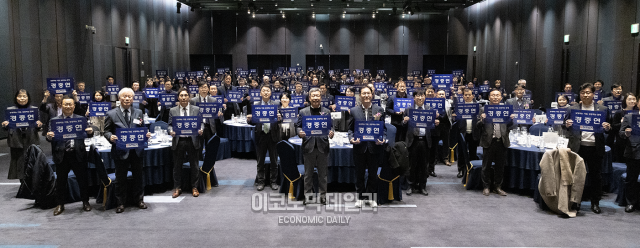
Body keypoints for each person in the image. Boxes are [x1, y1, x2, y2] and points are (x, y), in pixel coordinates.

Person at [562, 83, 611, 214]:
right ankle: (575, 201)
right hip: (578, 147)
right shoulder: (573, 108)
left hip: (595, 148)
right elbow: (564, 125)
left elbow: (608, 128)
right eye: (583, 92)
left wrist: (607, 128)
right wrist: (567, 124)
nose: (585, 95)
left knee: (596, 177)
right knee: (576, 176)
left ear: (593, 94)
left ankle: (595, 203)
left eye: (588, 92)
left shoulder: (602, 109)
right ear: (580, 94)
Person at [103, 88, 152, 213]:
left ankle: (139, 200)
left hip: (136, 150)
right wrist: (110, 137)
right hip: (120, 150)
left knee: (138, 177)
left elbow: (142, 127)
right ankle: (120, 203)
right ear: (119, 98)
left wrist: (146, 134)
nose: (127, 99)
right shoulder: (111, 114)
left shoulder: (139, 112)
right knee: (121, 179)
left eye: (129, 97)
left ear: (133, 99)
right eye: (124, 96)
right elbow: (106, 131)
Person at [45, 96, 94, 215]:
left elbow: (87, 134)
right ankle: (60, 204)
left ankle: (85, 202)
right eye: (65, 104)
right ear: (61, 105)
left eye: (70, 104)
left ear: (74, 106)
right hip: (61, 154)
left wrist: (90, 132)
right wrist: (49, 136)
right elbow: (49, 138)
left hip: (78, 153)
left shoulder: (81, 119)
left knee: (82, 180)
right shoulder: (54, 121)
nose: (68, 106)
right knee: (61, 181)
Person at [348, 86, 386, 208]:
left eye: (368, 93)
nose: (366, 95)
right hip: (359, 147)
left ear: (372, 95)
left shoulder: (379, 109)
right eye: (363, 93)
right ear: (360, 95)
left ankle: (371, 197)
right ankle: (360, 197)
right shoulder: (353, 110)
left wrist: (383, 138)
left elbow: (383, 128)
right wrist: (351, 138)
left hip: (374, 147)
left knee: (372, 174)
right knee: (359, 174)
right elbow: (350, 129)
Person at [296, 88, 334, 204]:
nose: (316, 98)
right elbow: (298, 126)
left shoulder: (326, 112)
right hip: (309, 146)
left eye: (318, 96)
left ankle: (323, 196)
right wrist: (299, 132)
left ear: (321, 98)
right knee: (308, 174)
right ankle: (308, 196)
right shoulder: (303, 112)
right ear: (309, 98)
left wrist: (332, 132)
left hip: (323, 146)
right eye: (313, 96)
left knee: (323, 175)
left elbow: (331, 127)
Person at [402, 88, 439, 196]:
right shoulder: (408, 110)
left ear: (425, 97)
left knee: (424, 165)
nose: (420, 97)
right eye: (417, 96)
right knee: (411, 165)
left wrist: (436, 123)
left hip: (425, 140)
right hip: (412, 141)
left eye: (422, 95)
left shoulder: (429, 109)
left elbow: (432, 127)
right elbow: (403, 125)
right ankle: (410, 186)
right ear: (414, 98)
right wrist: (404, 121)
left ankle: (423, 186)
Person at [477, 89, 514, 196]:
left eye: (497, 95)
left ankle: (497, 187)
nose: (495, 97)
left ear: (501, 97)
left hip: (502, 141)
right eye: (493, 95)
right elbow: (478, 126)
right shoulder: (483, 109)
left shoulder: (506, 109)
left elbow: (510, 126)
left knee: (500, 166)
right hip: (488, 140)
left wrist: (511, 119)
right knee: (486, 166)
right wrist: (482, 120)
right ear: (489, 97)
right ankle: (486, 187)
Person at [169, 88, 204, 198]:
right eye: (181, 96)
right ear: (178, 97)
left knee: (194, 165)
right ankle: (177, 188)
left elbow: (201, 123)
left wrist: (201, 129)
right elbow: (169, 125)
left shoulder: (196, 109)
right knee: (177, 166)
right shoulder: (173, 110)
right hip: (179, 140)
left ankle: (194, 187)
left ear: (189, 97)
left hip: (192, 139)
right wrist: (170, 131)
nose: (183, 97)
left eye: (185, 95)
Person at [246, 85, 282, 191]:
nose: (266, 92)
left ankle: (273, 181)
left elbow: (280, 119)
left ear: (270, 93)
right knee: (260, 161)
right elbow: (253, 121)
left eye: (268, 91)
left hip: (273, 135)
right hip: (260, 135)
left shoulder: (276, 104)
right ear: (260, 93)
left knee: (274, 161)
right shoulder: (255, 104)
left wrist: (280, 119)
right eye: (264, 91)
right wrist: (249, 120)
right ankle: (261, 181)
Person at [2, 90, 43, 179]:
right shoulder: (10, 110)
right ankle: (23, 188)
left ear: (28, 98)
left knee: (32, 164)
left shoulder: (34, 110)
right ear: (16, 98)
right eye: (20, 96)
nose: (22, 98)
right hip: (16, 141)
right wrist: (5, 125)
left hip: (31, 139)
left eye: (24, 96)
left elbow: (37, 126)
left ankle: (32, 188)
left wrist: (39, 125)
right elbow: (6, 127)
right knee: (20, 166)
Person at [451, 88, 482, 178]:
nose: (467, 96)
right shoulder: (459, 106)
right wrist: (454, 117)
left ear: (473, 96)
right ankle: (461, 170)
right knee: (461, 152)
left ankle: (471, 169)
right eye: (465, 95)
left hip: (474, 132)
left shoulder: (478, 107)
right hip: (462, 133)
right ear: (463, 96)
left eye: (469, 95)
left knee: (473, 152)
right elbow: (455, 120)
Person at [619, 97, 640, 213]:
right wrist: (626, 134)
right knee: (631, 178)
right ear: (638, 103)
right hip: (633, 151)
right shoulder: (629, 117)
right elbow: (621, 133)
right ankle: (630, 202)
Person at [611, 93, 637, 162]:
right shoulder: (619, 112)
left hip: (635, 143)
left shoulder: (638, 113)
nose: (632, 101)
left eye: (634, 99)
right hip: (621, 142)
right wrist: (622, 123)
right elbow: (613, 127)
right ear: (625, 100)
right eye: (629, 99)